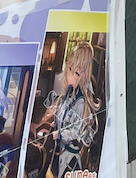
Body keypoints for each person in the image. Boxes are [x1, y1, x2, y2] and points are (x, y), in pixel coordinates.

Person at [38, 42, 101, 178]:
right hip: (58, 152)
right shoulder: (69, 94)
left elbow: (76, 131)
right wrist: (55, 124)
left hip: (68, 156)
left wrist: (60, 134)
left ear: (83, 74)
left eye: (76, 72)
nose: (70, 74)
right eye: (70, 69)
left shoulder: (81, 101)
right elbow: (63, 116)